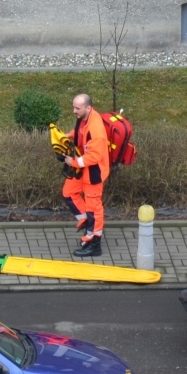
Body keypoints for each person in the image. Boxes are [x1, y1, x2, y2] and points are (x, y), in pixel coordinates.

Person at [62, 93, 110, 257]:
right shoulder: (85, 118)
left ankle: (94, 244)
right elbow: (81, 134)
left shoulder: (96, 128)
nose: (74, 111)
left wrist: (73, 162)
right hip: (84, 170)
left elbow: (94, 156)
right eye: (73, 107)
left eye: (77, 108)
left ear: (88, 108)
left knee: (94, 209)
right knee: (69, 193)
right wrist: (69, 135)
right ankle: (86, 223)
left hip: (93, 174)